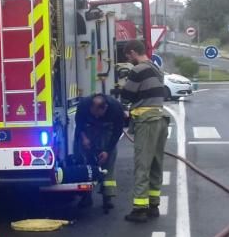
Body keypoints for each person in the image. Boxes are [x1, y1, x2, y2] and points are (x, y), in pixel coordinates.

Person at [118, 39, 170, 223]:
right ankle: (153, 205)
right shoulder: (156, 69)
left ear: (133, 52)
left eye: (128, 56)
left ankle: (139, 209)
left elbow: (128, 95)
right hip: (161, 118)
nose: (128, 59)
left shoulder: (138, 70)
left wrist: (121, 87)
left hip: (147, 121)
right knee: (156, 163)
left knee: (142, 164)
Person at [73, 93, 126, 211]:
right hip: (88, 130)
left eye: (99, 114)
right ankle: (86, 197)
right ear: (91, 107)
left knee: (108, 164)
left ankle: (107, 197)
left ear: (105, 107)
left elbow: (117, 132)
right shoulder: (84, 105)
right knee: (86, 165)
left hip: (107, 132)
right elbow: (79, 125)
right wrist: (84, 139)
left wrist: (107, 151)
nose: (96, 116)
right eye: (94, 113)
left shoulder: (116, 108)